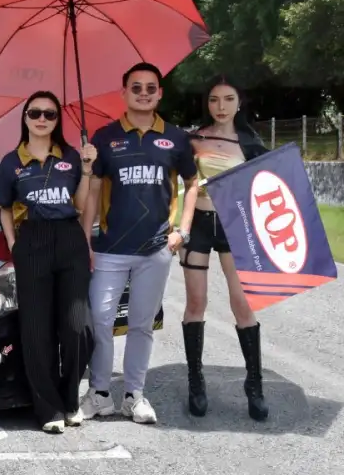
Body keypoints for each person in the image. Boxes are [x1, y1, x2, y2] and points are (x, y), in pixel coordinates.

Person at [79, 63, 199, 424]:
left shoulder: (176, 138)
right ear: (124, 93)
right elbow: (93, 192)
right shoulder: (104, 138)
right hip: (109, 248)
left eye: (150, 88)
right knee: (99, 320)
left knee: (141, 324)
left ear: (160, 93)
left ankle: (134, 395)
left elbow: (192, 184)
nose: (143, 93)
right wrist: (85, 240)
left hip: (155, 249)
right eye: (136, 87)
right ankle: (99, 393)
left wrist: (182, 232)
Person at [0, 91, 97, 434]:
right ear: (25, 118)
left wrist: (86, 170)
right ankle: (49, 407)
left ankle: (70, 398)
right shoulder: (11, 161)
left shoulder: (71, 157)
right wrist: (14, 244)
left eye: (49, 114)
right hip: (32, 240)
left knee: (79, 328)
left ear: (57, 120)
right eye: (35, 113)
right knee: (37, 331)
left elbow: (80, 204)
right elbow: (4, 207)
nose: (42, 119)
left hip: (69, 238)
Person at [180, 75, 270, 421]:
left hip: (236, 225)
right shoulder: (194, 139)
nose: (221, 107)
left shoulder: (251, 143)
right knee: (196, 302)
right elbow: (179, 182)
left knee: (242, 305)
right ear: (207, 103)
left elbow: (268, 188)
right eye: (214, 99)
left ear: (239, 102)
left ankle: (254, 385)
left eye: (228, 99)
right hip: (199, 227)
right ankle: (196, 381)